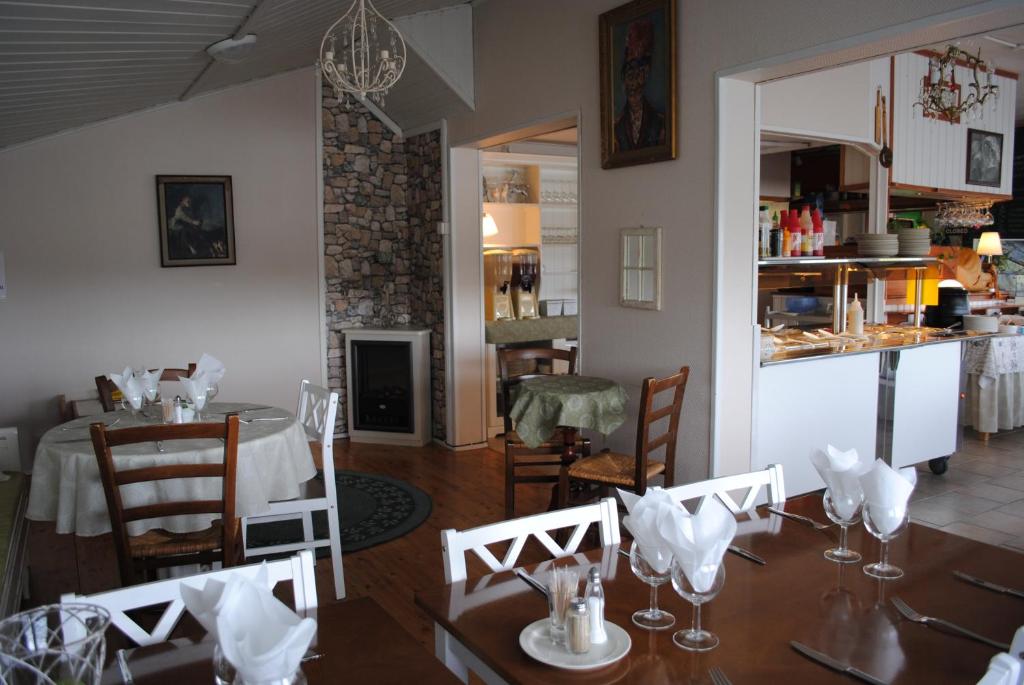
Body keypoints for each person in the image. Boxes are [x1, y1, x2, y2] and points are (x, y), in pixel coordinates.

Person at [614, 19, 666, 153]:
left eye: (639, 73)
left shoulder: (660, 123)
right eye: (629, 73)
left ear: (645, 75)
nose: (633, 82)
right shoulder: (616, 127)